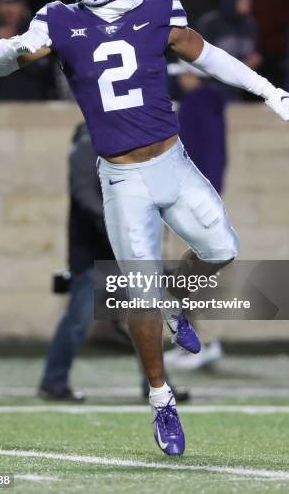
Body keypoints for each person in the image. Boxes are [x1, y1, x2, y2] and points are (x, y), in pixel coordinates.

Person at [0, 0, 289, 456]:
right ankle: (160, 397)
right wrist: (8, 49)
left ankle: (177, 304)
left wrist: (265, 88)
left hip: (173, 162)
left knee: (223, 249)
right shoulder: (57, 18)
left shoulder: (158, 9)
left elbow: (208, 55)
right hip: (122, 178)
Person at [39, 122, 190, 402]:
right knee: (78, 320)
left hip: (126, 252)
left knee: (144, 317)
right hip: (93, 253)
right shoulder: (88, 144)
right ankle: (53, 381)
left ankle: (156, 384)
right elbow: (84, 193)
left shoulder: (121, 141)